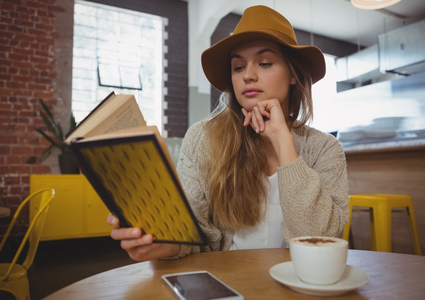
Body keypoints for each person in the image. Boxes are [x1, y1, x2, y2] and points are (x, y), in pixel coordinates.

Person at [107, 5, 349, 261]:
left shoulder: (325, 148)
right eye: (238, 67)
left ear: (292, 74)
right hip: (224, 285)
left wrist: (282, 141)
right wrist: (169, 244)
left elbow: (320, 242)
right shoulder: (202, 138)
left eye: (264, 63)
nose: (248, 75)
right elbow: (194, 228)